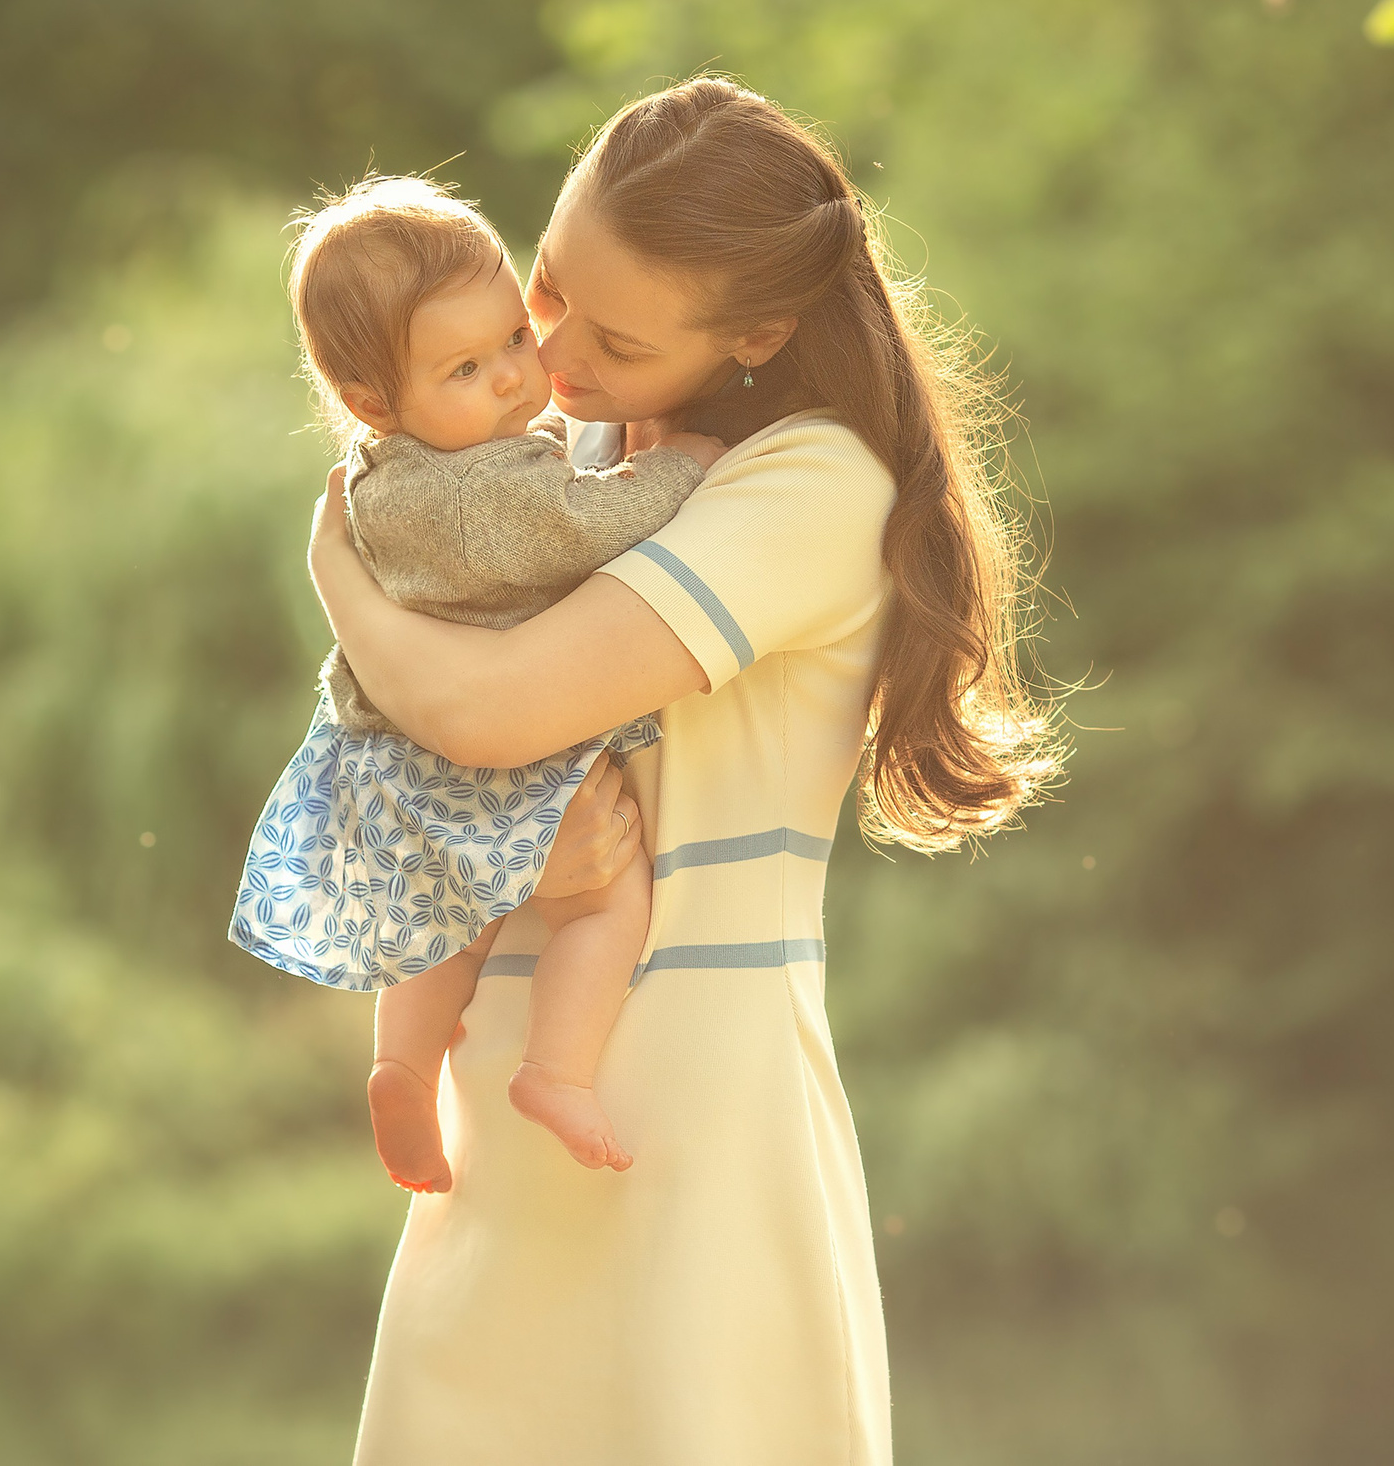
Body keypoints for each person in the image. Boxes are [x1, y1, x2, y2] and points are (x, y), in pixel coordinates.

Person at [308, 78, 1057, 1464]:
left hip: (689, 1114)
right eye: (546, 290)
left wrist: (336, 572)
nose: (552, 352)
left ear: (755, 334)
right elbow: (410, 755)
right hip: (498, 1109)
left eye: (618, 337)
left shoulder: (806, 483)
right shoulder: (567, 459)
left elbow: (482, 710)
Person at [229, 176, 726, 1188]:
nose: (509, 376)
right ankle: (557, 1071)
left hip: (400, 760)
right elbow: (588, 522)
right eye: (465, 367)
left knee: (449, 928)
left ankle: (402, 1068)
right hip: (510, 747)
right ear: (372, 401)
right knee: (605, 907)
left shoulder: (385, 478)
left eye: (512, 337)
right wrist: (680, 466)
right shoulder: (483, 493)